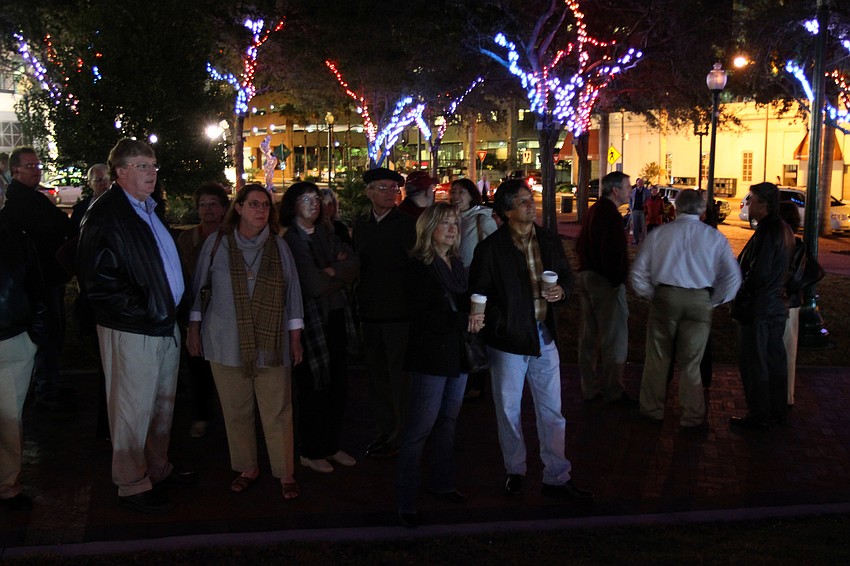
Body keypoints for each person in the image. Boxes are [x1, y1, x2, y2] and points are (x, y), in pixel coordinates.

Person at [77, 139, 196, 514]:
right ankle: (131, 483)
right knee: (131, 410)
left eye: (154, 165)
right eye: (143, 166)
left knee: (162, 405)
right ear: (121, 172)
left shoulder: (147, 209)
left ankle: (156, 469)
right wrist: (145, 313)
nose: (152, 173)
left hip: (161, 325)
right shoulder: (106, 214)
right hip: (135, 331)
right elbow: (98, 283)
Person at [469, 180, 591, 502]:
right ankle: (515, 469)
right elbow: (479, 294)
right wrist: (504, 322)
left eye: (530, 199)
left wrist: (561, 291)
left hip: (543, 335)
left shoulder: (548, 241)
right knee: (508, 409)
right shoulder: (491, 249)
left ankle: (557, 474)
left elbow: (566, 275)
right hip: (508, 342)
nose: (530, 204)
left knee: (552, 410)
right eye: (522, 201)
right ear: (507, 211)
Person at [187, 184, 304, 499]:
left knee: (277, 410)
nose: (261, 211)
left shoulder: (279, 248)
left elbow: (293, 295)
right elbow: (199, 292)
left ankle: (285, 472)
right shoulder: (216, 245)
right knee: (236, 410)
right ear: (237, 208)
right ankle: (247, 467)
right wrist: (193, 330)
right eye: (253, 204)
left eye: (266, 205)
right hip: (224, 343)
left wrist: (295, 340)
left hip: (271, 343)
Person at [396, 202, 482, 528]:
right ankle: (405, 498)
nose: (452, 229)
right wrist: (464, 320)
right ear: (428, 228)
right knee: (420, 427)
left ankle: (442, 482)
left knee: (448, 420)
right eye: (444, 223)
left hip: (456, 355)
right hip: (430, 356)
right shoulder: (418, 266)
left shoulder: (456, 262)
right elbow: (423, 315)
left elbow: (464, 300)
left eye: (455, 224)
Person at [631, 190, 742, 429]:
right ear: (702, 211)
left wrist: (654, 295)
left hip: (665, 297)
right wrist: (712, 300)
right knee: (692, 363)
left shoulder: (660, 235)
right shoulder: (714, 238)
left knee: (658, 358)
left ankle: (652, 409)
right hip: (699, 299)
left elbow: (639, 273)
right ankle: (692, 416)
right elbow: (733, 277)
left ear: (675, 208)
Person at [281, 182, 360, 474]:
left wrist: (332, 272)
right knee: (313, 385)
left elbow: (354, 264)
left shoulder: (327, 231)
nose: (315, 204)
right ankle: (311, 449)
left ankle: (330, 445)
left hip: (337, 315)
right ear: (293, 205)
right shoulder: (292, 239)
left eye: (317, 198)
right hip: (310, 322)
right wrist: (337, 273)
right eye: (306, 199)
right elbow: (312, 285)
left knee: (338, 384)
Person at [0, 147, 73, 411]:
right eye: (31, 166)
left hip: (47, 278)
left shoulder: (32, 199)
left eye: (38, 165)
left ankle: (47, 385)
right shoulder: (21, 205)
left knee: (52, 334)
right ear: (15, 170)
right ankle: (46, 390)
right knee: (48, 335)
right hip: (41, 282)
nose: (37, 170)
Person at [353, 167, 416, 458]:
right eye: (383, 188)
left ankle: (403, 433)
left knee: (399, 378)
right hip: (369, 311)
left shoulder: (407, 225)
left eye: (394, 188)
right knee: (377, 377)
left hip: (399, 313)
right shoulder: (362, 224)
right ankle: (385, 429)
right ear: (369, 192)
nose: (391, 193)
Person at [730, 182, 795, 430]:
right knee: (774, 360)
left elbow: (759, 274)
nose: (747, 204)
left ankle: (760, 415)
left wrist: (742, 294)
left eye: (752, 200)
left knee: (756, 362)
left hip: (761, 308)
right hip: (775, 306)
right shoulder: (783, 229)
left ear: (764, 204)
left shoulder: (769, 232)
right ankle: (776, 411)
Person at [575, 171, 634, 404]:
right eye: (627, 186)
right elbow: (611, 252)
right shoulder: (609, 215)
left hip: (589, 276)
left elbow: (581, 244)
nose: (631, 190)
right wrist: (617, 279)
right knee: (614, 337)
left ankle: (589, 387)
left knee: (588, 336)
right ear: (615, 190)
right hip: (605, 282)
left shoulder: (596, 210)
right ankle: (613, 390)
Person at [176, 182, 229, 438]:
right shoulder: (187, 239)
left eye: (213, 204)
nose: (207, 209)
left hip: (224, 313)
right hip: (194, 310)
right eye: (203, 204)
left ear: (223, 209)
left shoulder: (231, 238)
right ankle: (201, 415)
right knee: (197, 366)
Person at [0, 219, 44, 512]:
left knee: (10, 417)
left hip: (13, 337)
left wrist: (35, 332)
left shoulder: (16, 235)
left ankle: (7, 486)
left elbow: (36, 284)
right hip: (14, 333)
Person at [450, 177, 497, 401]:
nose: (455, 196)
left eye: (461, 192)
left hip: (476, 286)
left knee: (476, 332)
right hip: (456, 285)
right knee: (463, 332)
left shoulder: (481, 219)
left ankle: (478, 381)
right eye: (453, 192)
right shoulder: (452, 219)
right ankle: (466, 376)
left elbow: (495, 253)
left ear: (471, 195)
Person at [779, 202, 802, 408]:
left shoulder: (784, 243)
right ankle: (787, 395)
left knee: (781, 348)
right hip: (794, 302)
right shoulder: (797, 243)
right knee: (789, 350)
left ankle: (782, 396)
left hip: (784, 300)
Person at [70, 164, 111, 234]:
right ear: (90, 184)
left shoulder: (125, 205)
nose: (105, 183)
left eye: (108, 179)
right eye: (99, 180)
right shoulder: (81, 209)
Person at [629, 178, 650, 245]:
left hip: (643, 211)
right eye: (639, 182)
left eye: (641, 182)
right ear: (636, 183)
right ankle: (635, 240)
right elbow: (630, 200)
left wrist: (646, 208)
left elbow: (649, 200)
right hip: (635, 210)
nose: (640, 184)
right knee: (635, 226)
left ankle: (643, 241)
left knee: (643, 227)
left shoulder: (647, 191)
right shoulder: (633, 191)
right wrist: (631, 208)